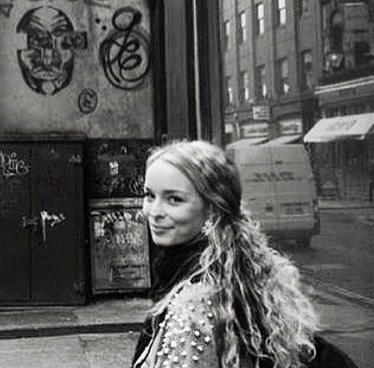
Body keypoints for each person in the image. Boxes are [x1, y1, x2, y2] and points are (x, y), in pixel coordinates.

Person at [133, 140, 358, 368]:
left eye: (174, 199)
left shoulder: (195, 302)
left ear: (212, 207)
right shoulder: (243, 269)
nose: (153, 211)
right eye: (149, 195)